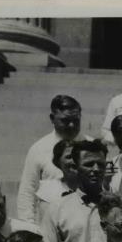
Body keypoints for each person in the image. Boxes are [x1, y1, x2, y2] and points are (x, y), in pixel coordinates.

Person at [40, 139, 110, 242]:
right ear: (76, 167)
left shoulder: (118, 206)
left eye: (100, 164)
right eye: (89, 164)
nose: (96, 169)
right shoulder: (57, 208)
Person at [17, 95, 83, 223]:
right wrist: (28, 227)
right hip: (50, 223)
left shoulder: (91, 145)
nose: (71, 125)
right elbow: (27, 191)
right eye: (65, 120)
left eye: (76, 120)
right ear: (52, 119)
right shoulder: (38, 149)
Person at [36, 139, 79, 224]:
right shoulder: (48, 190)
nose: (74, 161)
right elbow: (46, 225)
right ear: (58, 161)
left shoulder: (91, 186)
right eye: (69, 157)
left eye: (77, 156)